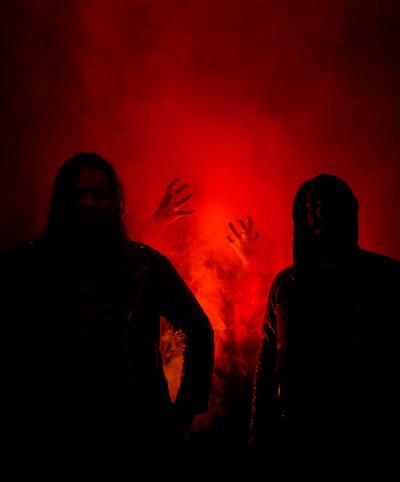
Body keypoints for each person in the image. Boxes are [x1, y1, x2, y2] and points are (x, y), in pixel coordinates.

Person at [0, 153, 214, 464]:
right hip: (46, 430)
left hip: (132, 432)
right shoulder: (25, 264)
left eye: (98, 194)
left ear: (114, 201)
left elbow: (198, 328)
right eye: (78, 194)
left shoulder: (145, 265)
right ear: (62, 200)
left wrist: (184, 411)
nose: (88, 202)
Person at [250, 174, 400, 462]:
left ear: (348, 212)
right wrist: (257, 434)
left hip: (368, 432)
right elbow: (266, 363)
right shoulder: (286, 285)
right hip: (296, 434)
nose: (319, 214)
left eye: (329, 205)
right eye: (311, 207)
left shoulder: (387, 278)